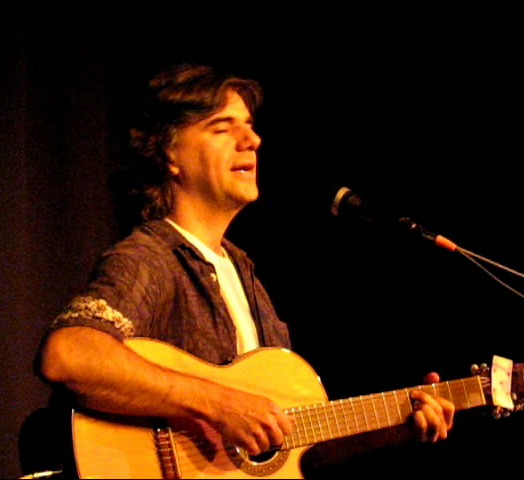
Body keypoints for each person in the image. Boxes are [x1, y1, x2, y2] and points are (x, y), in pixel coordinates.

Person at [35, 64, 454, 469]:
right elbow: (68, 355)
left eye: (249, 126)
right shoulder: (151, 256)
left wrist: (395, 428)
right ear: (170, 154)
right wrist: (218, 403)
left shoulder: (243, 273)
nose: (252, 139)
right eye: (223, 128)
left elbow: (287, 446)